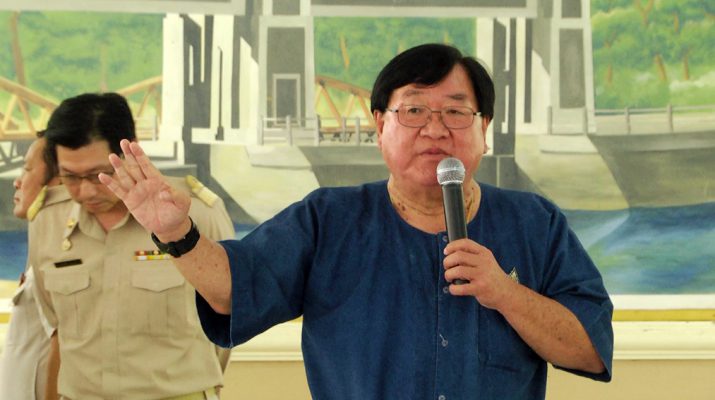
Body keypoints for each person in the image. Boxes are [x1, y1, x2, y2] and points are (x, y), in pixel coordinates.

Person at [102, 44, 614, 399]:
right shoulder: (328, 220)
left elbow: (590, 350)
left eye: (456, 113)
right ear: (379, 125)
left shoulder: (534, 222)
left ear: (485, 129)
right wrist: (176, 233)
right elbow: (233, 290)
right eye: (413, 111)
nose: (435, 129)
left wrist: (505, 293)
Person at [28, 93, 235, 399]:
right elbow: (55, 325)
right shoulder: (47, 221)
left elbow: (227, 313)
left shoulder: (194, 213)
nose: (85, 191)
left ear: (131, 151)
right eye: (70, 177)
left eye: (99, 175)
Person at [1, 132, 67, 400]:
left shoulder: (61, 252)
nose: (17, 181)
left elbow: (62, 343)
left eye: (27, 169)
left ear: (59, 181)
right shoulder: (45, 243)